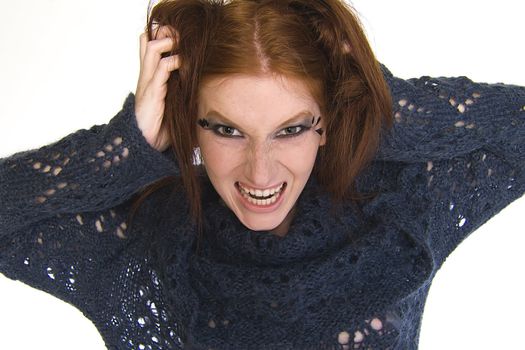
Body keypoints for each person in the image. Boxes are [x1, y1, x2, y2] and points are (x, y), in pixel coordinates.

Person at [0, 0, 523, 349]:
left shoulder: (405, 204)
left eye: (290, 129)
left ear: (325, 121)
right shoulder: (144, 236)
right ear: (191, 126)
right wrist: (123, 144)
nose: (260, 170)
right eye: (228, 131)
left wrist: (374, 106)